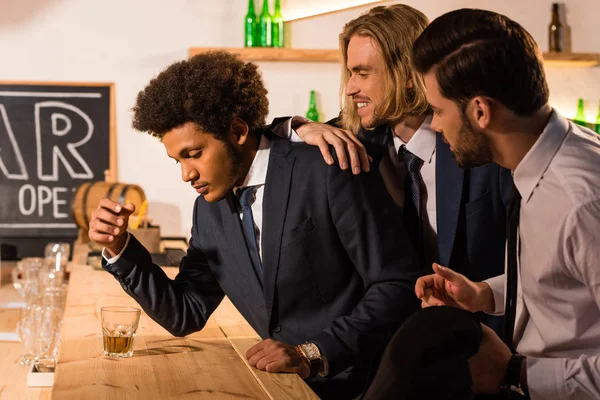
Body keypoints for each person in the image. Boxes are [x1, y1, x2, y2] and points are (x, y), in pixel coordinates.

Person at [89, 51, 421, 399]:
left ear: (238, 131)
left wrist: (314, 352)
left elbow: (397, 284)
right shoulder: (209, 210)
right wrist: (119, 248)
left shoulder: (326, 170)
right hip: (283, 389)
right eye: (177, 160)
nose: (186, 174)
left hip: (365, 385)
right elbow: (186, 312)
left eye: (194, 154)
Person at [409, 8, 600, 399]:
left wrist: (515, 372)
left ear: (480, 111)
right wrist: (483, 293)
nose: (435, 125)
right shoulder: (539, 163)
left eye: (439, 110)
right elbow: (565, 281)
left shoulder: (581, 200)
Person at [289, 4, 512, 334]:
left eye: (363, 73)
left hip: (483, 344)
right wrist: (300, 126)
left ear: (409, 76)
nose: (350, 88)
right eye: (350, 74)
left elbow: (532, 270)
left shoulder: (483, 147)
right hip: (390, 344)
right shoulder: (356, 139)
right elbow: (272, 144)